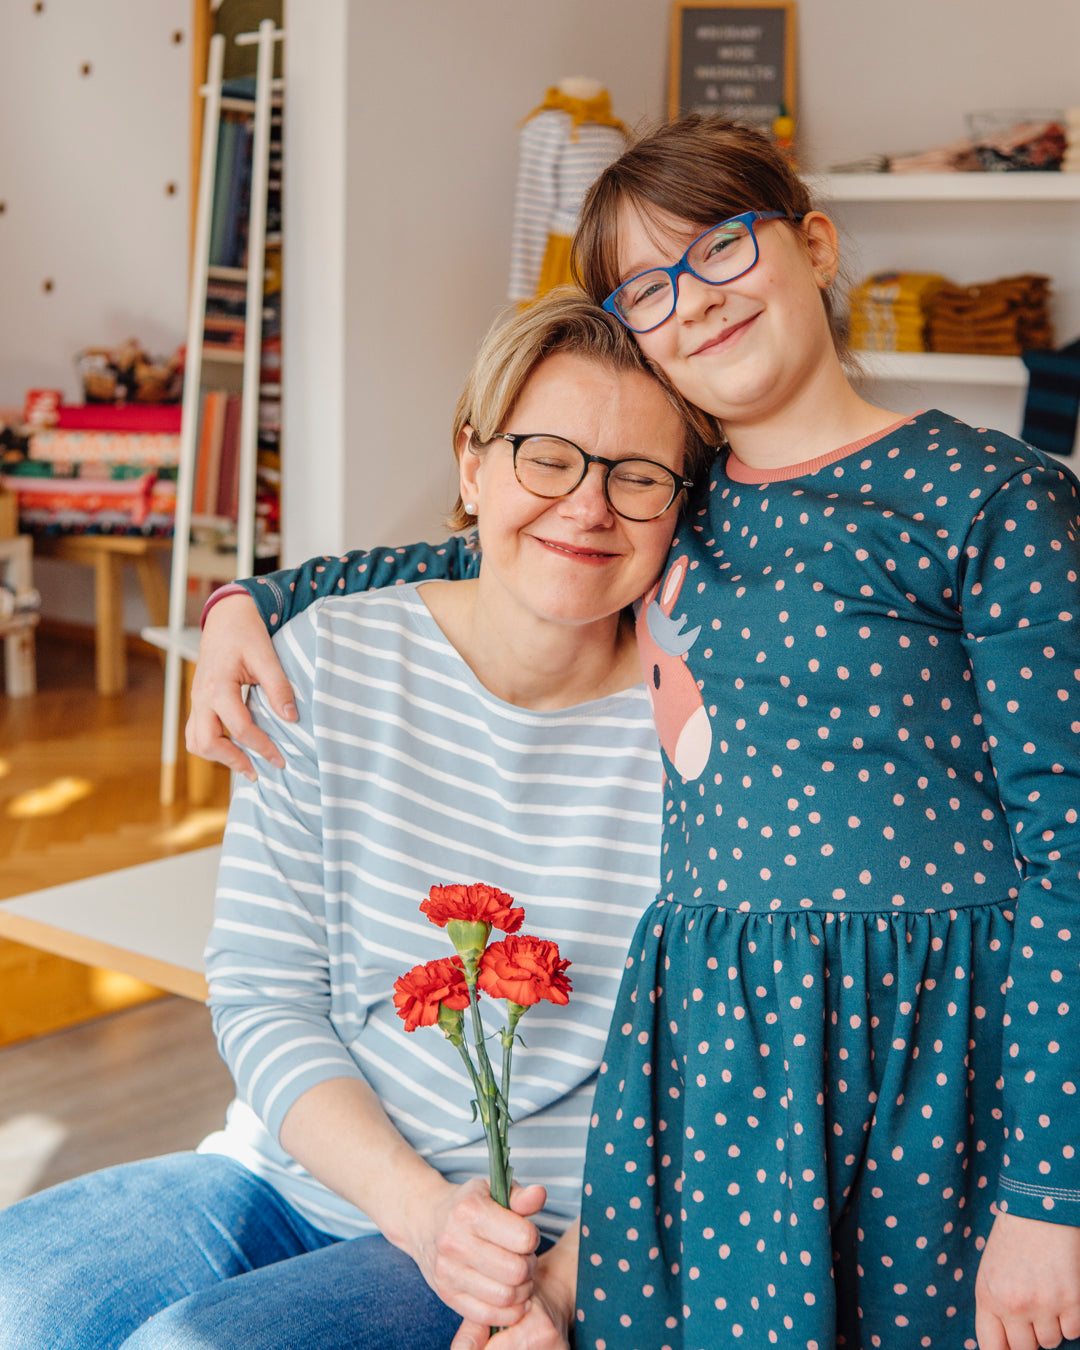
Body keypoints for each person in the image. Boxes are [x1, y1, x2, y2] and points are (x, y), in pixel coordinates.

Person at [187, 116, 1080, 1350]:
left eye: (722, 250)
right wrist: (253, 598)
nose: (695, 302)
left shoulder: (992, 498)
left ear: (815, 244)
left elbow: (1070, 849)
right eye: (647, 288)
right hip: (733, 1092)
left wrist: (1056, 1192)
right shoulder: (684, 522)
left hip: (932, 1066)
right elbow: (497, 543)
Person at [0, 288, 718, 1350]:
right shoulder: (327, 659)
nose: (587, 507)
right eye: (547, 456)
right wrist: (416, 1209)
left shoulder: (701, 736)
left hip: (539, 1241)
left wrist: (550, 1276)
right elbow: (262, 991)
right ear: (472, 464)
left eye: (638, 477)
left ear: (680, 509)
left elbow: (717, 1087)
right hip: (298, 1176)